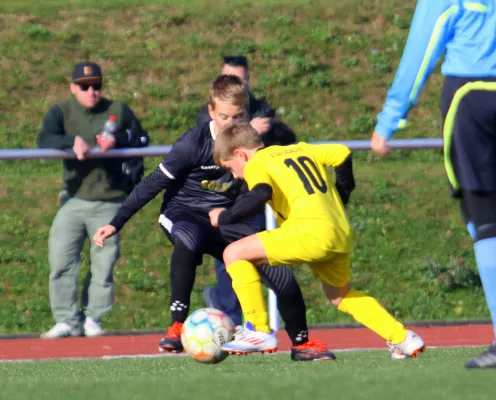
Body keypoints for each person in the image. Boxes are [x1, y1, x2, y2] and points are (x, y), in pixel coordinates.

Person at [93, 75, 336, 361]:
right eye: (224, 116)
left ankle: (301, 344)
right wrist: (115, 221)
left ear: (247, 112)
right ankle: (177, 325)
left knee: (280, 274)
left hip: (228, 219)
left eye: (238, 116)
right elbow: (153, 182)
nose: (231, 123)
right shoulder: (192, 143)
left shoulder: (254, 143)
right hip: (184, 213)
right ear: (211, 112)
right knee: (189, 238)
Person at [369, 0, 496, 368]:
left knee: (481, 206)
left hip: (471, 94)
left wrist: (389, 118)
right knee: (483, 207)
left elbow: (422, 47)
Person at [208, 122, 426, 359]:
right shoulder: (300, 149)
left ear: (240, 154)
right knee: (341, 296)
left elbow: (261, 192)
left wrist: (226, 217)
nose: (236, 176)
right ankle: (403, 338)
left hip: (308, 232)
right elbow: (342, 153)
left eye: (231, 168)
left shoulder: (258, 162)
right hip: (339, 231)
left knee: (233, 253)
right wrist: (343, 195)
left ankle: (257, 329)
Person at [38, 61, 149, 338]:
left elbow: (143, 138)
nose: (92, 92)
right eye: (85, 87)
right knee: (62, 258)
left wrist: (119, 140)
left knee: (104, 262)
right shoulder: (61, 111)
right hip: (75, 198)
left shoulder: (118, 110)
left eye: (97, 86)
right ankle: (66, 320)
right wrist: (70, 142)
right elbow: (44, 139)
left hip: (110, 200)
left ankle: (93, 318)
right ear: (73, 88)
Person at [196, 55, 297, 322]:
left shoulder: (260, 107)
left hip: (256, 196)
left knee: (265, 260)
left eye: (241, 79)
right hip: (225, 196)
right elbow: (210, 149)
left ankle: (274, 322)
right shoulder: (208, 114)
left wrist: (269, 131)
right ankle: (232, 316)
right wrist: (246, 131)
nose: (235, 85)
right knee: (229, 258)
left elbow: (287, 142)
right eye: (230, 78)